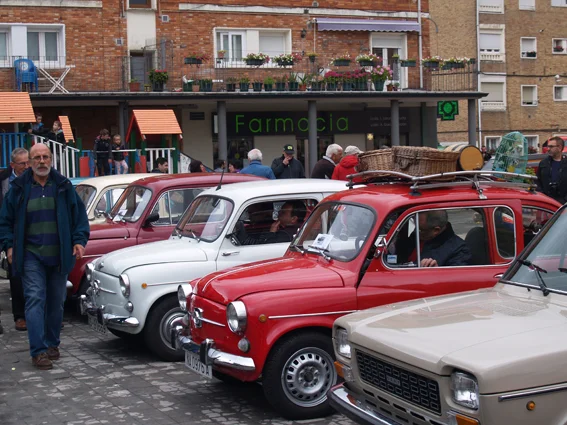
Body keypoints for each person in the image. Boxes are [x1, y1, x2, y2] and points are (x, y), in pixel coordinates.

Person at [0, 143, 89, 370]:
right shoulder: (19, 188)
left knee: (56, 302)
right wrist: (9, 246)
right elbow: (5, 220)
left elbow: (79, 217)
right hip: (30, 255)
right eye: (37, 157)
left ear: (51, 159)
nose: (41, 161)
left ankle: (52, 344)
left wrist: (79, 241)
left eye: (45, 157)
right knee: (35, 299)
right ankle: (38, 351)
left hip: (59, 255)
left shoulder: (63, 186)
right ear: (30, 162)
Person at [0, 148, 30, 333]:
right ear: (12, 165)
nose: (26, 166)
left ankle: (45, 315)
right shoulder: (4, 181)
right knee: (16, 275)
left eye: (28, 162)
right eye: (22, 163)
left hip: (32, 232)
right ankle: (19, 316)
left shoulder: (36, 178)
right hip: (9, 231)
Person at [395, 210, 472, 268]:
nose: (416, 231)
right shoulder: (417, 236)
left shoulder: (459, 250)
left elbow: (456, 279)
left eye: (420, 229)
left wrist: (437, 271)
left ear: (436, 230)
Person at [236, 200, 306, 245]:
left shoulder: (285, 234)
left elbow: (266, 248)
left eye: (283, 212)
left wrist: (271, 232)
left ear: (293, 219)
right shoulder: (301, 228)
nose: (279, 213)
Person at [536, 136, 567, 204]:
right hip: (546, 202)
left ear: (559, 148)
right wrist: (542, 196)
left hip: (563, 204)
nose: (548, 149)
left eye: (551, 147)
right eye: (548, 146)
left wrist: (564, 200)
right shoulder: (543, 163)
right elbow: (537, 181)